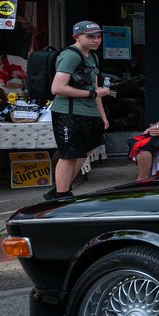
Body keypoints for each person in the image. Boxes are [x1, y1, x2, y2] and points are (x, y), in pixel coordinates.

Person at [47, 21, 110, 201]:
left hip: (89, 113)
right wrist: (92, 93)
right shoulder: (70, 56)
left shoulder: (93, 57)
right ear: (76, 37)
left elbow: (95, 88)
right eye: (90, 37)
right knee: (69, 155)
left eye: (98, 36)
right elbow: (57, 88)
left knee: (83, 152)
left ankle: (61, 188)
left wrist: (102, 115)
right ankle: (62, 195)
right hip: (69, 112)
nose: (96, 40)